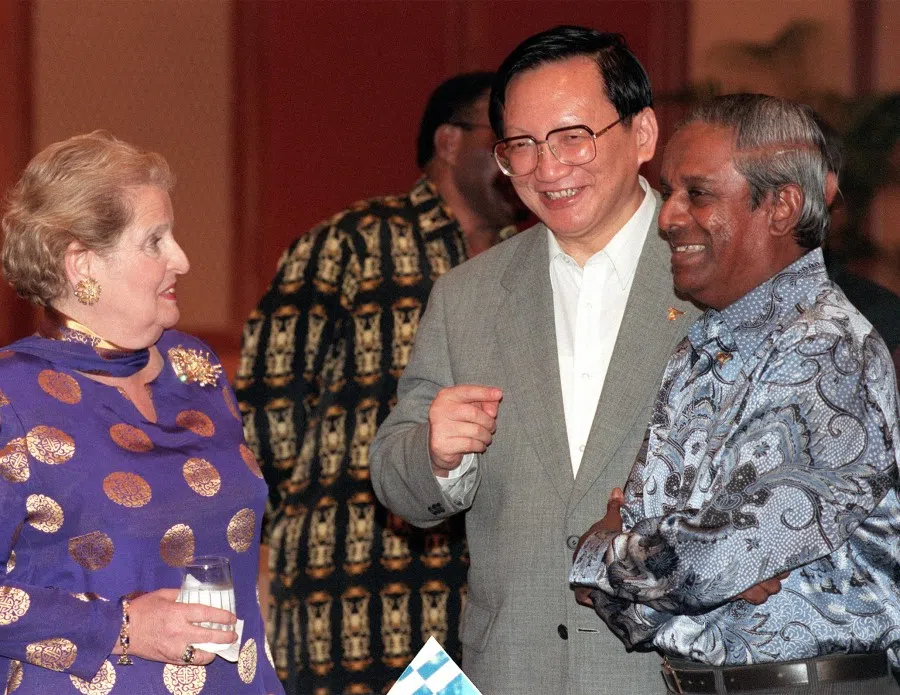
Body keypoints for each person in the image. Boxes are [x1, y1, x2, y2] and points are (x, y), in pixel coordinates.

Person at [370, 26, 699, 695]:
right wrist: (435, 454)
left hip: (667, 675)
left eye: (573, 137)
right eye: (521, 144)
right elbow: (395, 477)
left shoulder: (712, 278)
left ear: (642, 133)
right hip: (513, 670)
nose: (547, 168)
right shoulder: (469, 295)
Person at [570, 94, 900, 694]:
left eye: (697, 194)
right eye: (669, 192)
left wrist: (600, 550)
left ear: (782, 206)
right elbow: (648, 597)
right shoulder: (702, 345)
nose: (668, 217)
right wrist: (646, 560)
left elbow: (706, 563)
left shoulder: (825, 349)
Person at [234, 72, 522, 694]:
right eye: (502, 137)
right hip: (349, 584)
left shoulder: (526, 264)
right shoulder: (354, 244)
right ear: (449, 142)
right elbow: (268, 402)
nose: (516, 157)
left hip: (488, 589)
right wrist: (281, 534)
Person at [0, 131, 283, 693]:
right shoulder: (13, 397)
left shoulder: (195, 367)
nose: (182, 259)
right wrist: (121, 626)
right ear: (83, 263)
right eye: (155, 241)